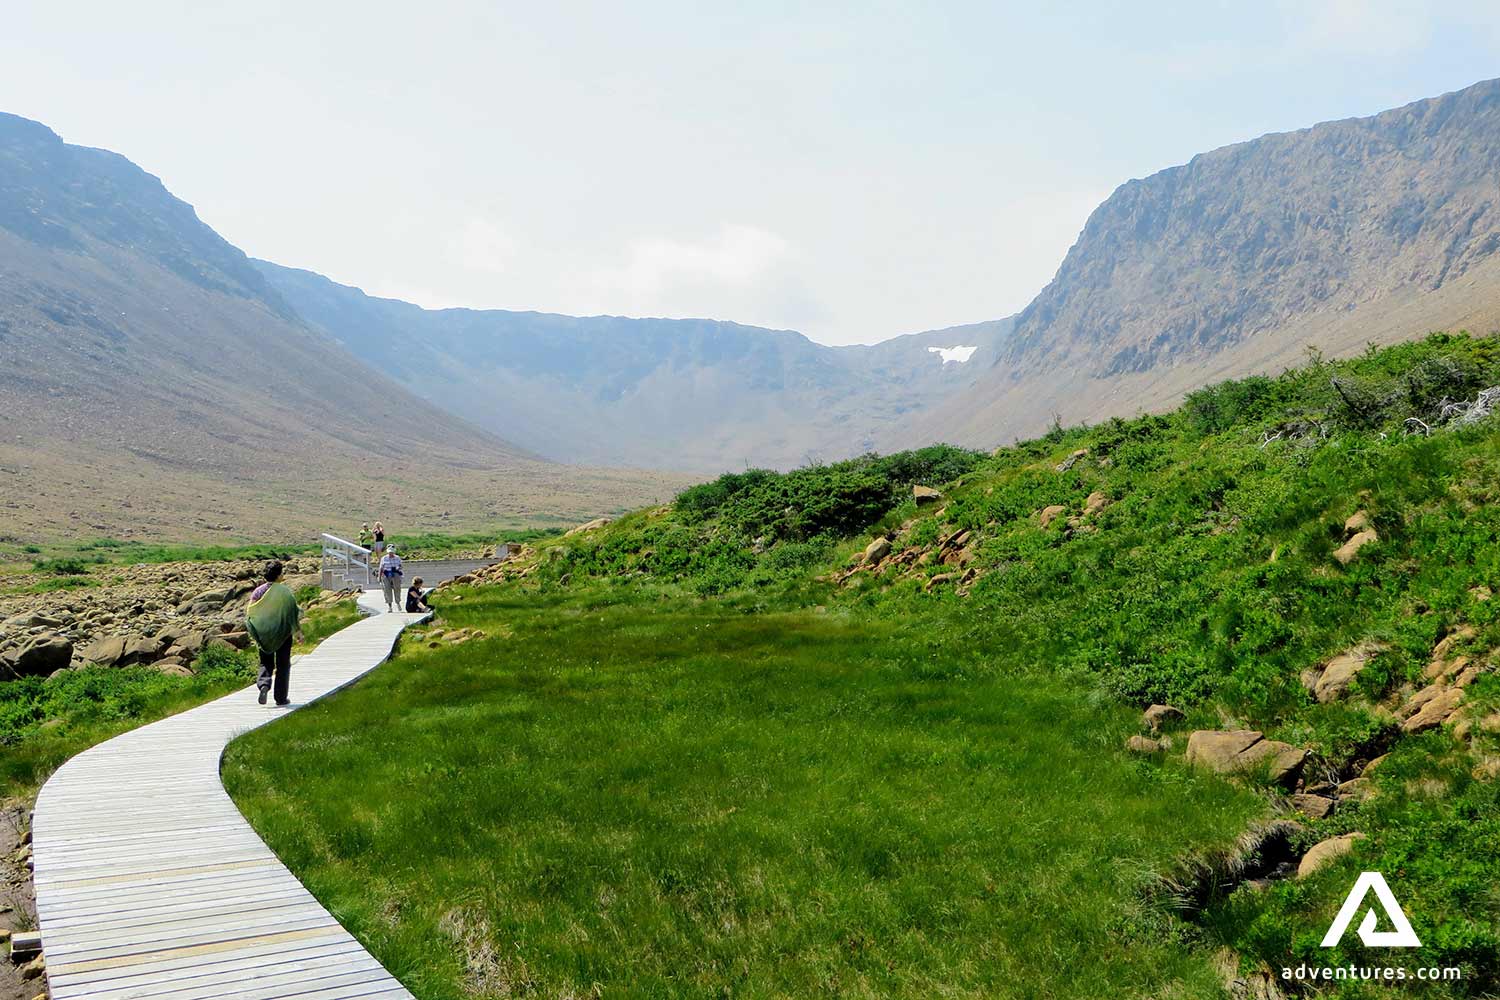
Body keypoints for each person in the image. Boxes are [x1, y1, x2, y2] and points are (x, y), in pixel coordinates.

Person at [246, 561, 301, 706]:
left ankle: (264, 685)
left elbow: (251, 611)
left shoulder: (258, 591)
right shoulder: (284, 591)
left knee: (265, 662)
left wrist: (256, 630)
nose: (283, 575)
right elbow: (292, 612)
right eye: (282, 572)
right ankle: (281, 698)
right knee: (283, 664)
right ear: (278, 575)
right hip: (283, 633)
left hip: (264, 633)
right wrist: (298, 632)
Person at [378, 546, 404, 612]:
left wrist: (398, 568)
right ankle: (390, 606)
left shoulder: (397, 558)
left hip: (395, 574)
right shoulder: (384, 558)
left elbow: (401, 566)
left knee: (397, 589)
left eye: (392, 552)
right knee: (387, 590)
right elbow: (381, 568)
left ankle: (398, 603)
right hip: (386, 575)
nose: (390, 553)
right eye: (389, 552)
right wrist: (379, 577)